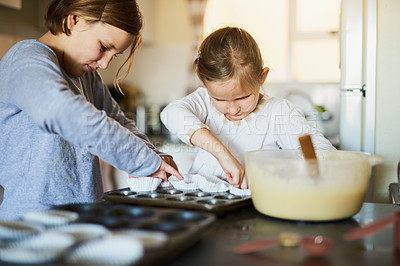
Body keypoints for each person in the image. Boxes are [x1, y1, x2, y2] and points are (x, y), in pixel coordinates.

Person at [0, 0, 183, 220]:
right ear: (74, 21)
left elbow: (118, 121)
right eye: (104, 47)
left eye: (114, 55)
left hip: (84, 222)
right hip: (31, 228)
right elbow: (64, 114)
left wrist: (154, 155)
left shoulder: (87, 77)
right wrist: (143, 161)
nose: (105, 64)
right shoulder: (26, 60)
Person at [160, 26, 335, 190]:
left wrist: (282, 168)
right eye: (219, 99)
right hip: (202, 204)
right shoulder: (204, 101)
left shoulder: (279, 112)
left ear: (262, 77)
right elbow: (171, 113)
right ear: (206, 85)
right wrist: (223, 155)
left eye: (243, 97)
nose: (234, 108)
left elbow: (326, 154)